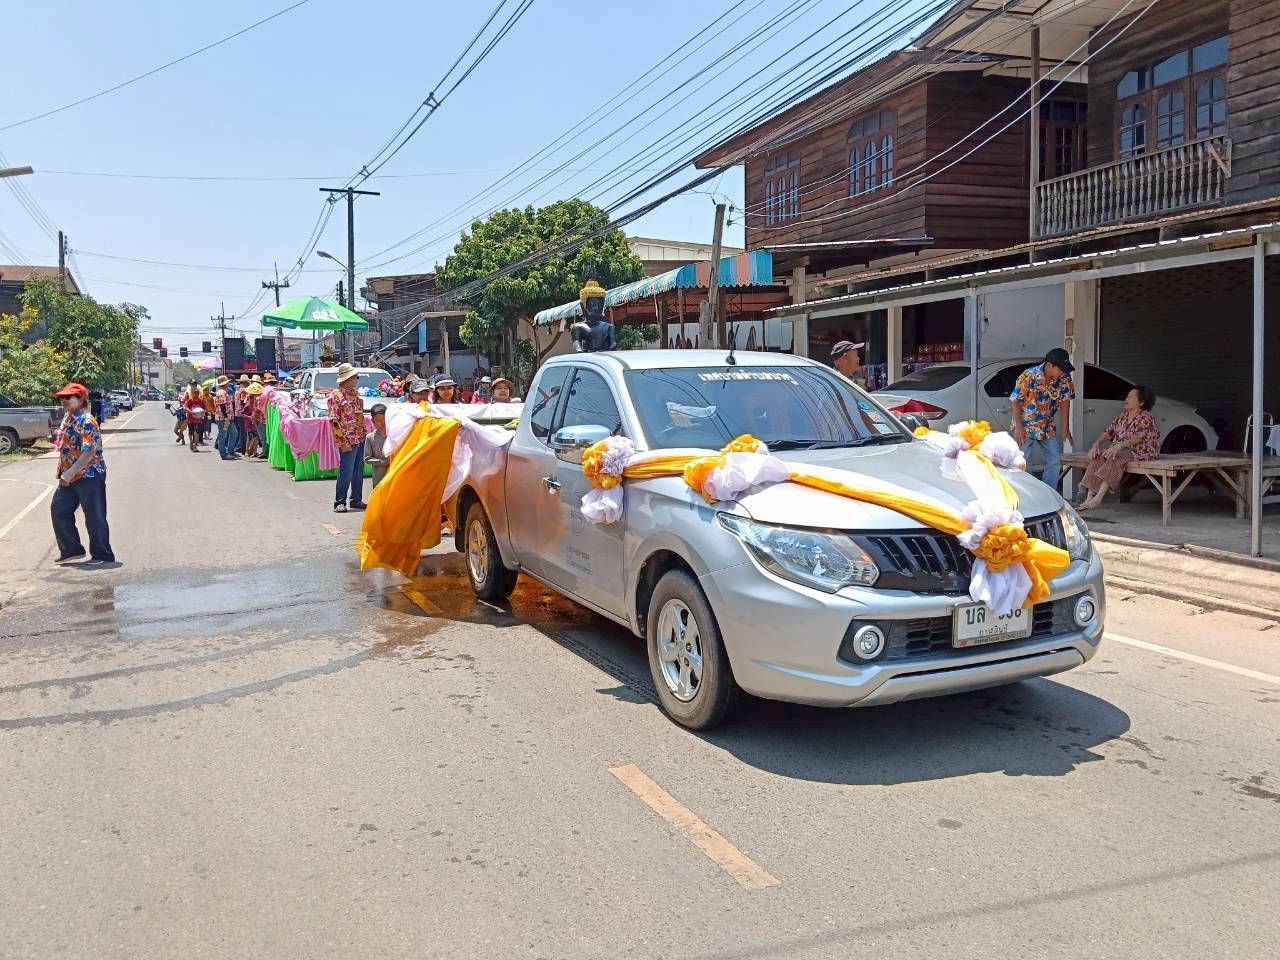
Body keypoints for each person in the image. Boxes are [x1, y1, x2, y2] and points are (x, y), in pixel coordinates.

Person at [50, 382, 115, 565]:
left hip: (89, 475)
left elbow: (89, 451)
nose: (64, 401)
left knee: (94, 515)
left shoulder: (87, 421)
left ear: (80, 399)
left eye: (68, 397)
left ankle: (102, 554)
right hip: (69, 475)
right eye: (62, 398)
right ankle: (71, 550)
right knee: (59, 509)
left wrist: (70, 473)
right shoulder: (68, 417)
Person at [1079, 385, 1160, 511]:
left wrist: (1118, 447)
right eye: (1127, 396)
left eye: (1130, 397)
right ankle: (1089, 497)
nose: (1126, 399)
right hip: (1121, 449)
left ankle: (1099, 498)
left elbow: (1138, 437)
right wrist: (1095, 445)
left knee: (1115, 457)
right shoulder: (1123, 416)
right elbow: (1108, 432)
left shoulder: (1146, 416)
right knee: (1098, 456)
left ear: (1141, 402)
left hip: (1141, 451)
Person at [1010, 347, 1075, 487]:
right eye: (1061, 369)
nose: (1063, 372)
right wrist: (1019, 428)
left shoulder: (1064, 378)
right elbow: (1015, 401)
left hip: (1047, 426)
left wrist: (1065, 428)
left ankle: (1049, 493)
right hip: (1025, 425)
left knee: (1054, 461)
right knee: (1024, 462)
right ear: (1049, 366)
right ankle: (1029, 494)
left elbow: (1065, 401)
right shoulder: (1029, 375)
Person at [329, 363, 368, 513]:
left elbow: (359, 416)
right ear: (348, 378)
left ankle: (356, 500)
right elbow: (334, 420)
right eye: (355, 377)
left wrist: (363, 433)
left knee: (358, 471)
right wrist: (342, 441)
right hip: (347, 439)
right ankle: (339, 501)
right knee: (346, 470)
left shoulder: (354, 394)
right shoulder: (335, 396)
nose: (356, 379)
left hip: (359, 437)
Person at [365, 403, 389, 489]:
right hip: (378, 478)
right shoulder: (370, 438)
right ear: (372, 421)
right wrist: (382, 461)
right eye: (378, 421)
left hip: (393, 476)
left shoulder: (394, 435)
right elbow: (367, 459)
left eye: (385, 420)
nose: (382, 423)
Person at [213, 375, 235, 459]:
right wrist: (226, 416)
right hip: (223, 418)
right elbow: (222, 405)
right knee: (223, 435)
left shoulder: (222, 392)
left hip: (226, 418)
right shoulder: (222, 392)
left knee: (233, 433)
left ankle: (229, 452)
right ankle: (224, 454)